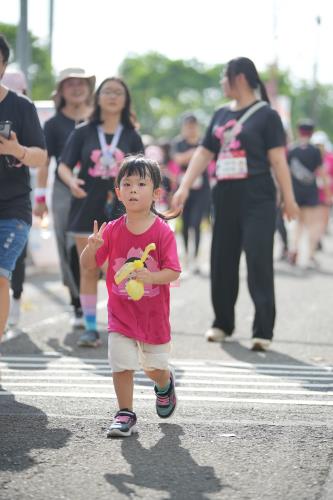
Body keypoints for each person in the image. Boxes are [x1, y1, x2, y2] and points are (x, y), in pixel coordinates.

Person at [172, 57, 298, 351]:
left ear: (239, 78)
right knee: (222, 258)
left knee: (257, 258)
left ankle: (263, 329)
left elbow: (277, 159)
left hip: (258, 196)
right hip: (225, 195)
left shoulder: (267, 116)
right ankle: (222, 322)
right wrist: (184, 187)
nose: (221, 84)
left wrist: (288, 199)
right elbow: (203, 154)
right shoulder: (218, 114)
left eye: (223, 77)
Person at [80, 155, 181, 437]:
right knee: (121, 363)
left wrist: (152, 277)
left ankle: (164, 385)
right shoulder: (111, 230)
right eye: (127, 184)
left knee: (154, 367)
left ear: (156, 193)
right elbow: (89, 266)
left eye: (141, 183)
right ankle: (125, 412)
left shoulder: (162, 232)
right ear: (118, 192)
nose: (133, 189)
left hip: (153, 317)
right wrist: (92, 247)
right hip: (120, 314)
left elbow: (173, 271)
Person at [58, 77, 144, 347]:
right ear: (98, 98)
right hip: (86, 207)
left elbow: (144, 175)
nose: (113, 96)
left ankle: (125, 324)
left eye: (119, 92)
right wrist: (71, 182)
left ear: (125, 100)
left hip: (121, 211)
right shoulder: (83, 131)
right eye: (107, 91)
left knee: (119, 269)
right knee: (88, 268)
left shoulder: (132, 135)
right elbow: (63, 165)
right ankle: (91, 327)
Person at [35, 68, 95, 328]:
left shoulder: (100, 119)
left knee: (95, 245)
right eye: (69, 83)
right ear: (61, 91)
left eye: (80, 83)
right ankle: (78, 304)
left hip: (95, 189)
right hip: (62, 190)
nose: (76, 87)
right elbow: (45, 162)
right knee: (67, 244)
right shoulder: (53, 124)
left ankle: (95, 299)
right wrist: (39, 198)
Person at [0, 34, 47, 341]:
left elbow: (41, 157)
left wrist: (16, 150)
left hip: (11, 208)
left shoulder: (21, 107)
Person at [171, 114, 211, 274]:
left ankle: (196, 258)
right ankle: (186, 255)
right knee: (186, 223)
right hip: (183, 189)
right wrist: (196, 154)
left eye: (193, 126)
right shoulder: (178, 142)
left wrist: (193, 155)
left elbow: (207, 158)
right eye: (188, 126)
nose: (191, 129)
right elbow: (178, 159)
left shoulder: (204, 141)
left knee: (197, 223)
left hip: (202, 189)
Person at [287, 120, 329, 267]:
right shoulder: (315, 150)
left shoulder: (291, 150)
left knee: (297, 224)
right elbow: (322, 173)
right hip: (311, 193)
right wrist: (328, 193)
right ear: (311, 132)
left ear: (299, 131)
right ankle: (310, 255)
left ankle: (294, 248)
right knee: (312, 225)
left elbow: (285, 172)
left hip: (295, 193)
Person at [311, 130, 333, 246]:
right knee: (315, 219)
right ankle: (316, 240)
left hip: (326, 192)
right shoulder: (311, 157)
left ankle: (318, 237)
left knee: (323, 219)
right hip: (314, 193)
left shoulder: (330, 158)